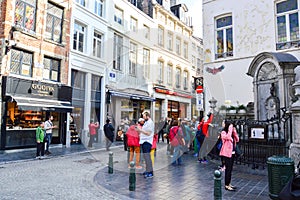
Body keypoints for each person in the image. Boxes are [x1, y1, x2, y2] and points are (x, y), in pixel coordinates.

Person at [220, 121, 239, 191]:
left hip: (232, 153)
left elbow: (237, 139)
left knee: (230, 169)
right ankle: (226, 185)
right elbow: (227, 137)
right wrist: (230, 129)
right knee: (227, 170)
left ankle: (229, 183)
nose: (222, 124)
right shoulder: (223, 132)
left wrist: (234, 131)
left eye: (223, 123)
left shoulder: (231, 133)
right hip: (226, 153)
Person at [135, 111, 154, 179]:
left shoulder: (150, 123)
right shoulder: (146, 122)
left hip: (147, 142)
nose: (143, 117)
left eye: (143, 116)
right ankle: (147, 170)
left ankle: (150, 172)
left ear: (147, 115)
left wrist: (140, 130)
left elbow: (148, 133)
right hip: (143, 141)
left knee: (147, 157)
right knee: (146, 158)